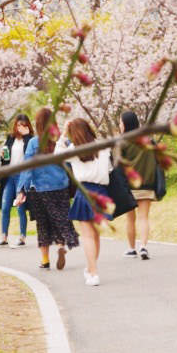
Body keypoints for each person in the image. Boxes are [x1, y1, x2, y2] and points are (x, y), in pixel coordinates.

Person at [14, 106, 77, 271]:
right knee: (61, 219)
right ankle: (61, 245)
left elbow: (27, 168)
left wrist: (21, 190)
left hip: (39, 189)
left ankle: (45, 260)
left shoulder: (34, 143)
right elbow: (72, 161)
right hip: (60, 187)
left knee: (43, 224)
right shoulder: (61, 141)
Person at [64, 118, 111, 286]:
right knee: (95, 234)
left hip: (84, 192)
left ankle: (93, 272)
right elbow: (110, 169)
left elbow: (56, 155)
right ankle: (91, 269)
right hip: (102, 192)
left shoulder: (73, 150)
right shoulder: (103, 146)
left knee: (88, 236)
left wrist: (63, 135)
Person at [117, 110, 159, 260]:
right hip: (147, 185)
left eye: (120, 122)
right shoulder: (149, 141)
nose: (119, 125)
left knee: (130, 219)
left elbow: (118, 165)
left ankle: (131, 249)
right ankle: (143, 247)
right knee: (144, 218)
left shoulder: (122, 142)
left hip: (129, 187)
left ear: (125, 124)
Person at [0, 114, 32, 247]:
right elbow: (6, 157)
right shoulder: (10, 138)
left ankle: (22, 237)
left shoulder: (31, 140)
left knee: (20, 208)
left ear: (27, 126)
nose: (20, 128)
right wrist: (2, 156)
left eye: (23, 125)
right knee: (5, 206)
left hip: (22, 176)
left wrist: (27, 136)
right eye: (18, 125)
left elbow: (30, 155)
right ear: (15, 126)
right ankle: (4, 236)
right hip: (9, 176)